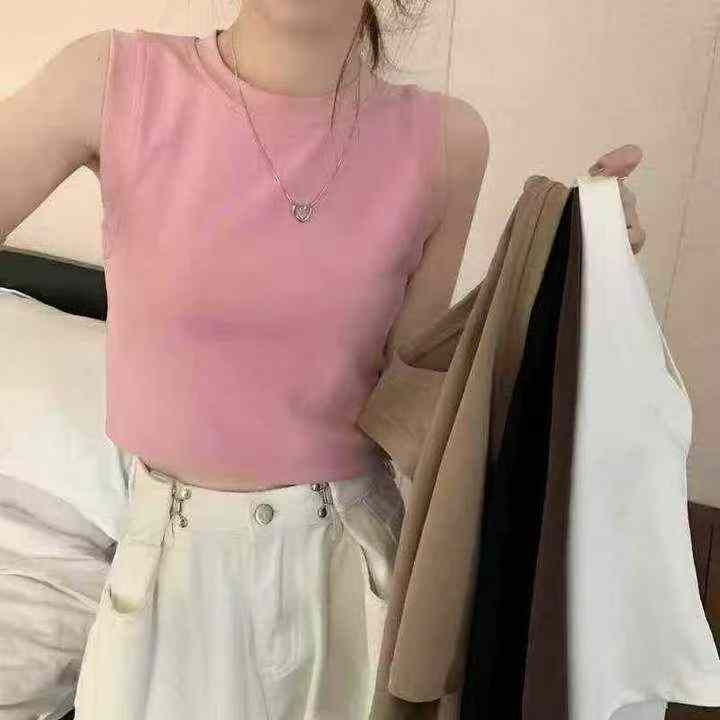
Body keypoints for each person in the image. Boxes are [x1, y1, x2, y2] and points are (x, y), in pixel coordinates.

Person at [0, 2, 644, 717]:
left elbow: (407, 393)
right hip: (174, 585)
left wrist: (570, 273)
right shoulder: (112, 79)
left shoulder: (447, 141)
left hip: (353, 573)